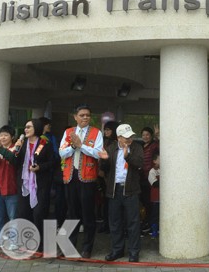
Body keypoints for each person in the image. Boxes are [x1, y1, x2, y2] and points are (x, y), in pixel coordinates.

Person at [59, 105, 107, 258]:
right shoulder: (68, 132)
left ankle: (87, 248)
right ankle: (68, 246)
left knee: (88, 214)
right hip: (70, 177)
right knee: (71, 213)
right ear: (75, 117)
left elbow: (98, 153)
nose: (85, 117)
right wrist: (74, 146)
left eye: (87, 115)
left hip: (87, 178)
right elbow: (62, 152)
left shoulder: (96, 132)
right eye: (82, 115)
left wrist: (81, 146)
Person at [103, 123, 143, 263]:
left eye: (130, 136)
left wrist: (127, 156)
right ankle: (117, 250)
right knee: (115, 222)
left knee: (133, 223)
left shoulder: (137, 147)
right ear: (118, 137)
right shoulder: (111, 148)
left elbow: (139, 163)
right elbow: (105, 168)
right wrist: (103, 159)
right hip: (114, 190)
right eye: (126, 137)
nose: (129, 139)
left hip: (131, 190)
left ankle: (133, 252)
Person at [16, 118, 56, 253]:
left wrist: (40, 167)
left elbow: (53, 162)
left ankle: (40, 244)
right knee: (23, 213)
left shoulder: (45, 144)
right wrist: (16, 147)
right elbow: (14, 161)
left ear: (36, 128)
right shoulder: (22, 143)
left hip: (40, 184)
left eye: (29, 127)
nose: (25, 129)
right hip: (24, 184)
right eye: (25, 127)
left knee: (39, 214)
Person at [40, 117, 66, 230]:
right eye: (47, 124)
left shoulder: (51, 137)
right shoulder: (33, 138)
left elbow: (56, 154)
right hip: (39, 172)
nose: (49, 126)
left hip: (52, 171)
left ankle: (54, 222)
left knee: (53, 198)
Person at [139, 126, 159, 235]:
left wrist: (157, 136)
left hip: (150, 177)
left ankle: (150, 224)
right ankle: (145, 221)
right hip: (141, 177)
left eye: (147, 135)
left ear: (151, 136)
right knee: (143, 201)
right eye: (143, 135)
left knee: (149, 202)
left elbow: (160, 149)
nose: (145, 137)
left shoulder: (154, 145)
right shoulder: (141, 146)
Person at [148, 151, 160, 238]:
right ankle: (154, 230)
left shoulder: (163, 169)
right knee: (155, 215)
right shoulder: (152, 171)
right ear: (154, 161)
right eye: (160, 159)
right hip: (156, 198)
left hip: (163, 198)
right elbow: (155, 184)